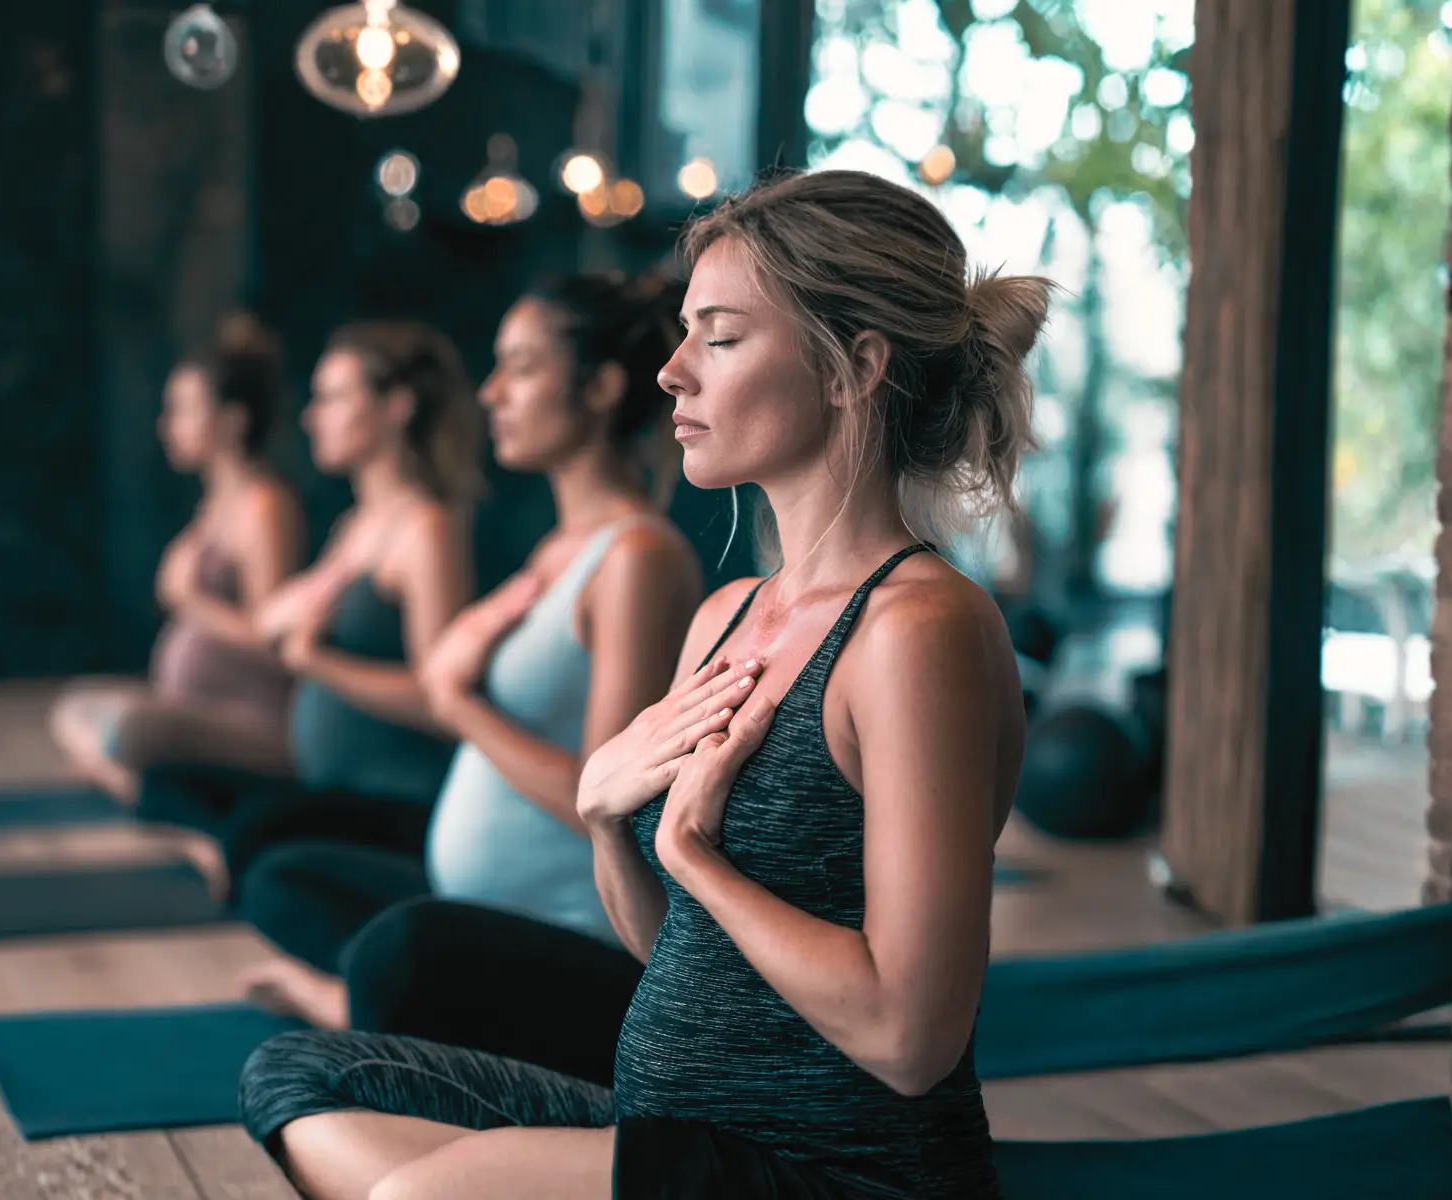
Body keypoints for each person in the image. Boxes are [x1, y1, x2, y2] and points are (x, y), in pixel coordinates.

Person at [237, 167, 1046, 1199]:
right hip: (665, 1127)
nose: (669, 372)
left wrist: (690, 855)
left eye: (715, 335)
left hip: (823, 1171)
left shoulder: (914, 628)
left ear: (852, 369)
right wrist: (604, 820)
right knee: (297, 1077)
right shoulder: (727, 614)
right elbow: (670, 948)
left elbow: (907, 1036)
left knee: (411, 1194)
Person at [230, 273, 704, 1029]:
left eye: (520, 368)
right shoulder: (557, 549)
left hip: (577, 937)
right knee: (283, 875)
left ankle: (352, 999)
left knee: (402, 951)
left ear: (603, 388)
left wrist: (458, 702)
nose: (490, 395)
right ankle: (378, 995)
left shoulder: (637, 558)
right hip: (475, 900)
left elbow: (608, 802)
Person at [136, 321, 481, 895]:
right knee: (165, 784)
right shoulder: (354, 526)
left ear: (396, 406)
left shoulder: (427, 529)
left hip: (396, 797)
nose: (310, 416)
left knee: (258, 847)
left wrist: (316, 660)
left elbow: (437, 698)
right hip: (328, 782)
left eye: (332, 398)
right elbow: (274, 620)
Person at [48, 315, 305, 800]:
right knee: (74, 706)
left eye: (184, 410)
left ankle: (148, 789)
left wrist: (191, 601)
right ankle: (148, 784)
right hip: (188, 703)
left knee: (130, 729)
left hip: (251, 720)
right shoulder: (211, 505)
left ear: (232, 420)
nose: (168, 427)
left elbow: (273, 640)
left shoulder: (264, 507)